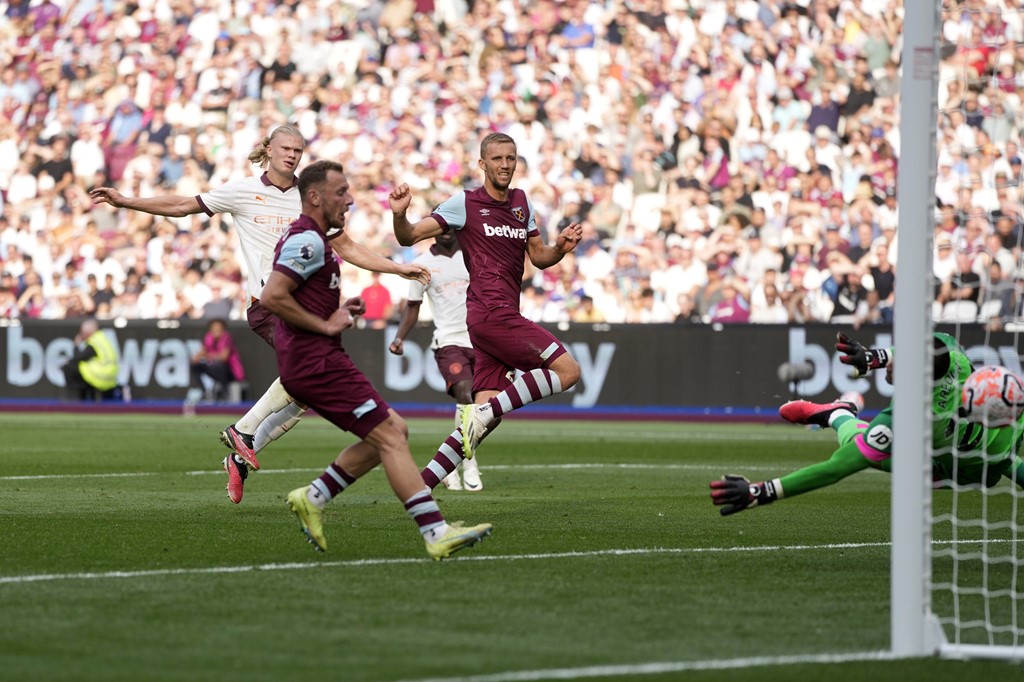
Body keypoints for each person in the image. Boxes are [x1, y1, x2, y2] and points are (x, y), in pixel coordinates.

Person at [90, 125, 428, 504]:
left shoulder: (309, 197)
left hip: (307, 306)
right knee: (309, 373)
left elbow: (348, 246)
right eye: (286, 148)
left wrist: (398, 269)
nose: (293, 155)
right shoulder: (243, 191)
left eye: (299, 150)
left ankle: (240, 454)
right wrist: (127, 202)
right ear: (269, 148)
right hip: (272, 304)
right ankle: (245, 431)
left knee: (303, 393)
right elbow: (183, 205)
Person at [264, 159, 492, 560]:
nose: (350, 199)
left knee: (388, 435)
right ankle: (435, 531)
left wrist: (394, 271)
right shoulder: (307, 240)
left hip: (319, 357)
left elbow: (348, 249)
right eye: (341, 193)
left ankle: (314, 497)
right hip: (313, 359)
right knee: (391, 436)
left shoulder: (323, 235)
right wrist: (325, 324)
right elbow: (273, 297)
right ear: (314, 197)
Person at [389, 132, 583, 489]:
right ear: (482, 164)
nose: (505, 165)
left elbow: (539, 257)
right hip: (491, 314)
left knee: (480, 425)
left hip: (496, 316)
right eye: (497, 159)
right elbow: (409, 236)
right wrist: (400, 216)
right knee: (568, 371)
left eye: (510, 158)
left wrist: (562, 248)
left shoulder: (522, 202)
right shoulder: (464, 203)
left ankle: (419, 487)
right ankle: (483, 413)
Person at [710, 332, 1024, 516]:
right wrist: (876, 357)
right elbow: (935, 346)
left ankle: (838, 413)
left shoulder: (908, 415)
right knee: (862, 447)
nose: (892, 365)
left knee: (858, 448)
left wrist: (761, 492)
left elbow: (835, 469)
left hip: (964, 464)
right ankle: (838, 413)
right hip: (967, 462)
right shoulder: (953, 362)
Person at [389, 230, 483, 491]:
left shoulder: (473, 255)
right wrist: (399, 338)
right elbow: (413, 305)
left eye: (449, 226)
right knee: (464, 393)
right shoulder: (422, 265)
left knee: (481, 405)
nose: (444, 232)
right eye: (439, 227)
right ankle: (470, 463)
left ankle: (448, 466)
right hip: (448, 341)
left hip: (480, 340)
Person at [184, 319, 246, 420]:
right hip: (215, 370)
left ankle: (226, 393)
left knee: (219, 365)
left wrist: (207, 357)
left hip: (231, 372)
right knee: (195, 365)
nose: (216, 331)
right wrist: (196, 357)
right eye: (214, 329)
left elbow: (223, 357)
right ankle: (205, 391)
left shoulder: (227, 338)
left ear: (223, 329)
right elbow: (203, 351)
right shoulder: (208, 337)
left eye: (218, 329)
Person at [61, 318, 120, 401]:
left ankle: (75, 400)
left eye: (82, 332)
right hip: (111, 378)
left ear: (88, 332)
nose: (81, 335)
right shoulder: (102, 339)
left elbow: (78, 358)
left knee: (69, 367)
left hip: (100, 377)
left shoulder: (94, 342)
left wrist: (76, 346)